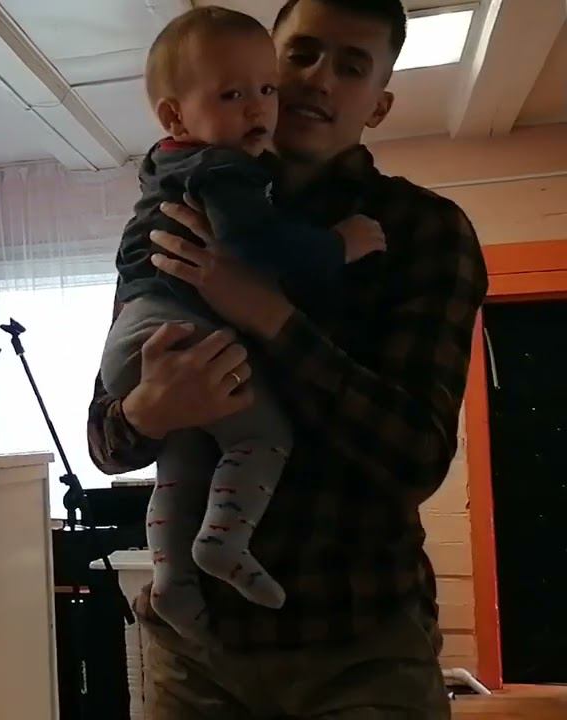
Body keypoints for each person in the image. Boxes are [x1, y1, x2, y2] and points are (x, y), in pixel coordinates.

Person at [86, 0, 487, 716]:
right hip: (196, 657)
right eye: (300, 55)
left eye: (352, 66)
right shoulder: (179, 204)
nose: (318, 79)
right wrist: (147, 410)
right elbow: (104, 440)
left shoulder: (423, 231)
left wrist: (266, 313)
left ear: (379, 104)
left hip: (357, 646)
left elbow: (416, 457)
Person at [98, 6, 387, 644]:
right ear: (176, 116)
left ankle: (172, 581)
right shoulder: (227, 171)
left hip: (348, 631)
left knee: (186, 453)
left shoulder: (166, 170)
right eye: (235, 94)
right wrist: (339, 245)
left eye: (264, 90)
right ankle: (224, 542)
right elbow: (260, 242)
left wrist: (254, 305)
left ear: (381, 102)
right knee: (259, 435)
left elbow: (412, 452)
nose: (261, 106)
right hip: (169, 333)